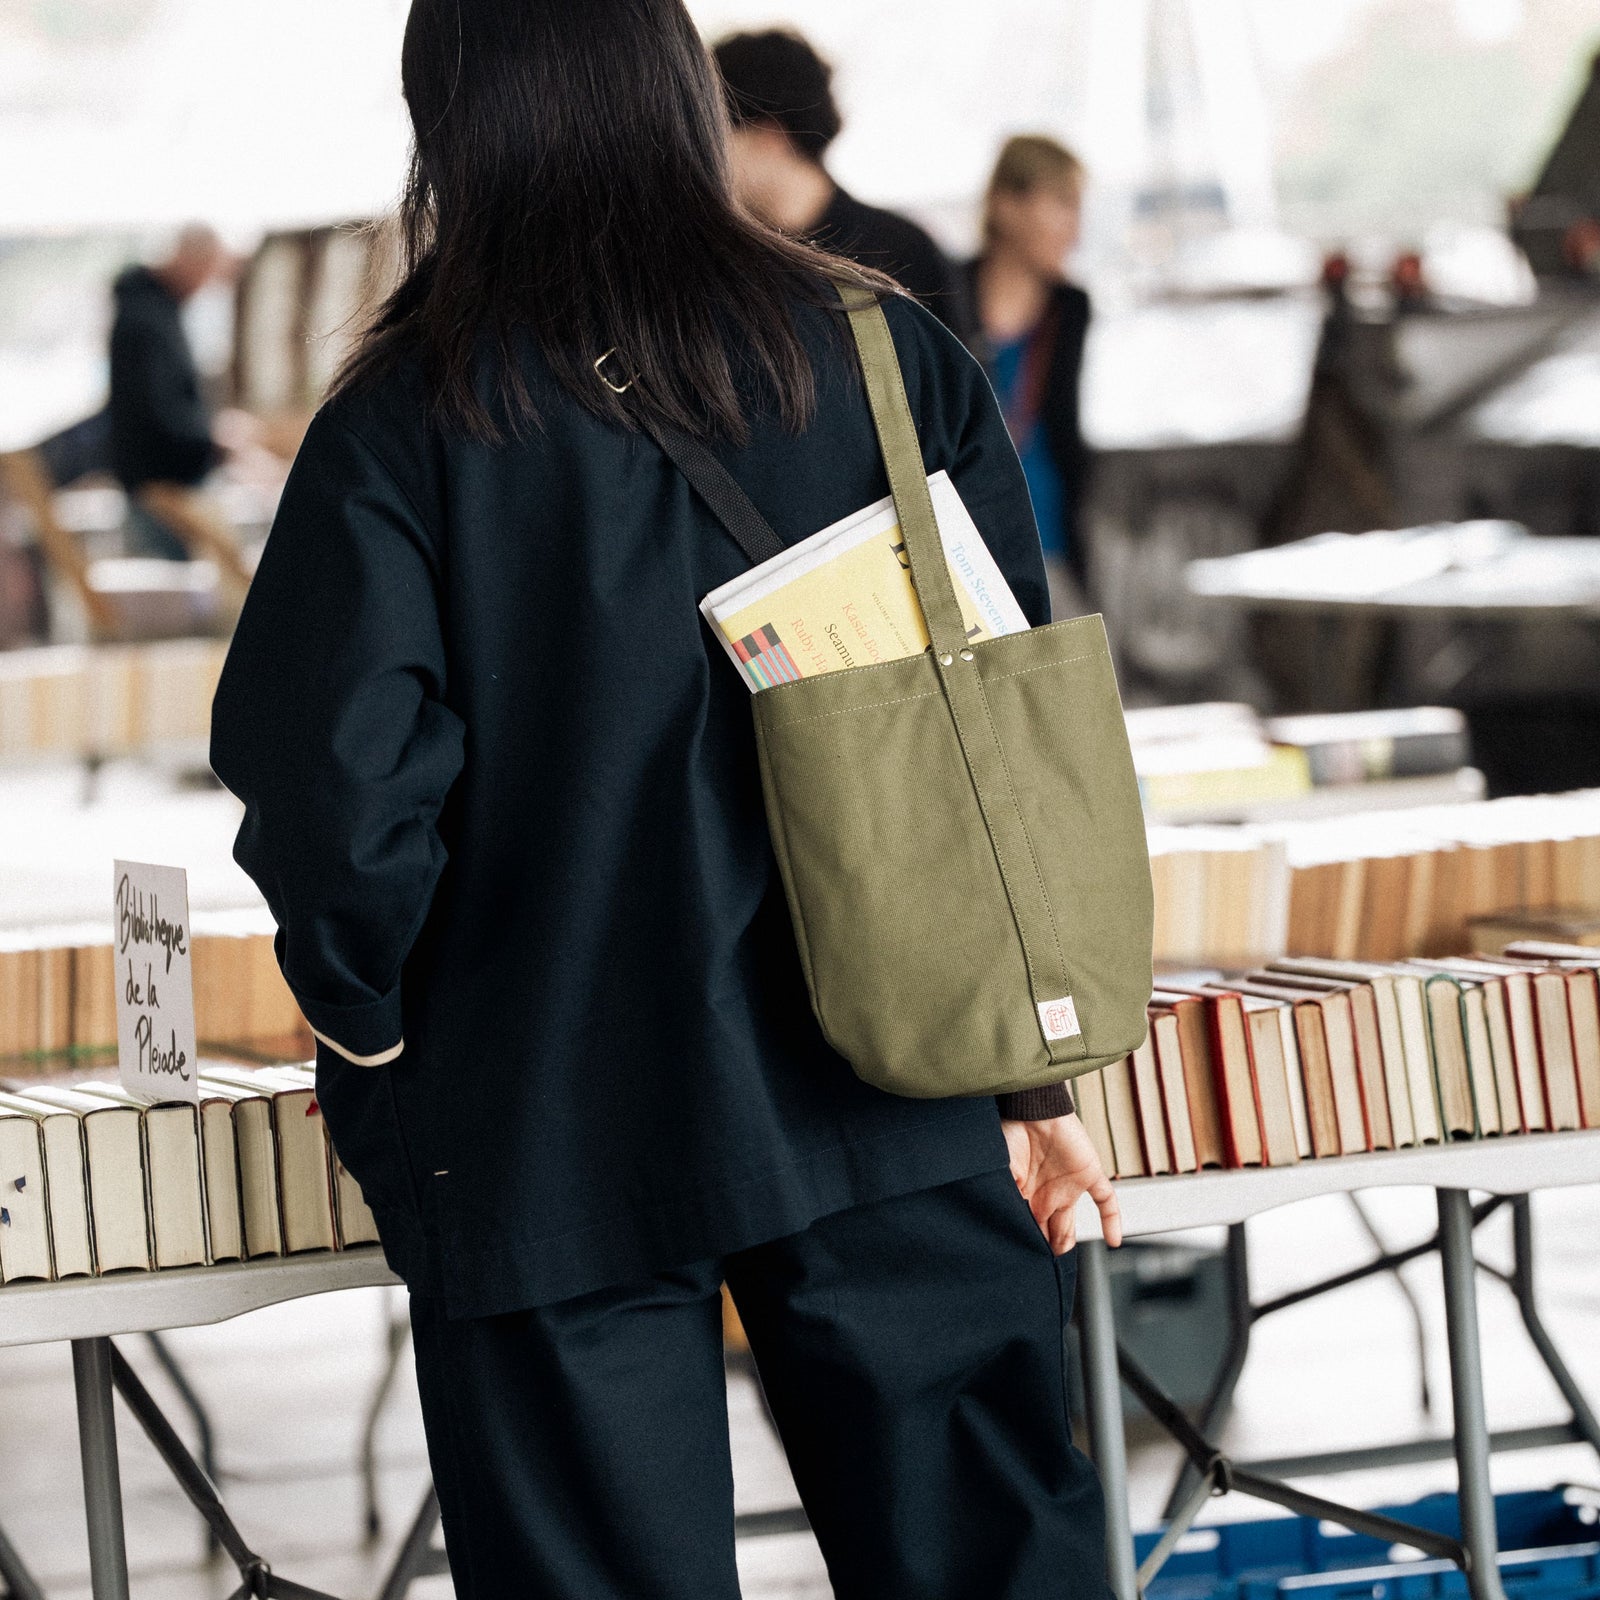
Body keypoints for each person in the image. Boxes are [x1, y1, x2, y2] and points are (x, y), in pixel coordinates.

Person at [210, 3, 1121, 1596]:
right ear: (682, 96)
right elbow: (997, 741)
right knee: (991, 1568)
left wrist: (366, 1031)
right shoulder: (883, 350)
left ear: (450, 124)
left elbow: (337, 792)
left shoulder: (407, 417)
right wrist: (1030, 1090)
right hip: (890, 1085)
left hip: (547, 1111)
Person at [714, 28, 980, 349]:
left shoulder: (903, 255)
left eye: (715, 133)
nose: (701, 153)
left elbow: (956, 391)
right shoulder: (721, 258)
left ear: (769, 137)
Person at [967, 136, 1094, 613]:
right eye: (1062, 205)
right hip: (968, 547)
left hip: (1050, 542)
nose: (1074, 231)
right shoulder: (945, 297)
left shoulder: (1070, 309)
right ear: (1005, 205)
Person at [108, 225, 253, 584]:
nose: (207, 285)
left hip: (162, 484)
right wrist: (213, 439)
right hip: (160, 490)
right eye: (208, 272)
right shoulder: (146, 320)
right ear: (190, 260)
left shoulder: (155, 312)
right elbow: (158, 412)